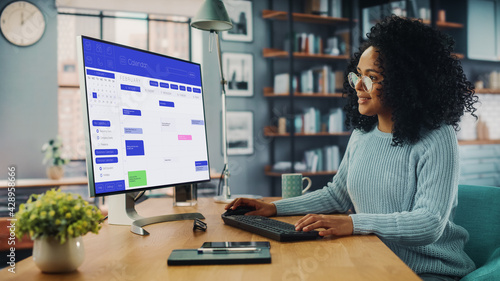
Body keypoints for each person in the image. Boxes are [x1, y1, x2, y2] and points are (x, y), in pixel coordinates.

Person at [226, 16, 478, 281]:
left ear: (406, 82)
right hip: (374, 260)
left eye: (372, 78)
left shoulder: (438, 137)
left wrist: (353, 223)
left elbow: (429, 223)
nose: (358, 86)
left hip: (428, 270)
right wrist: (274, 207)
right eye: (358, 75)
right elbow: (337, 196)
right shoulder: (362, 132)